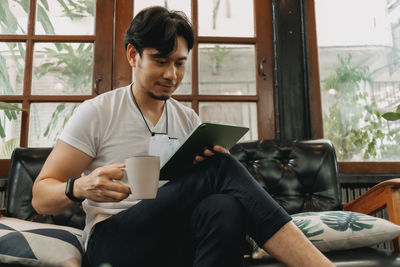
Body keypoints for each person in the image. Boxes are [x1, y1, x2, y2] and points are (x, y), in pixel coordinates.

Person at [32, 6, 334, 267]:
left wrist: (212, 171)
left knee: (223, 207)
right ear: (133, 55)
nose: (171, 75)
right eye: (161, 61)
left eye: (179, 63)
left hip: (173, 239)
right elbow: (41, 198)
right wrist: (81, 187)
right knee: (220, 170)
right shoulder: (97, 112)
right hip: (112, 242)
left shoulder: (187, 119)